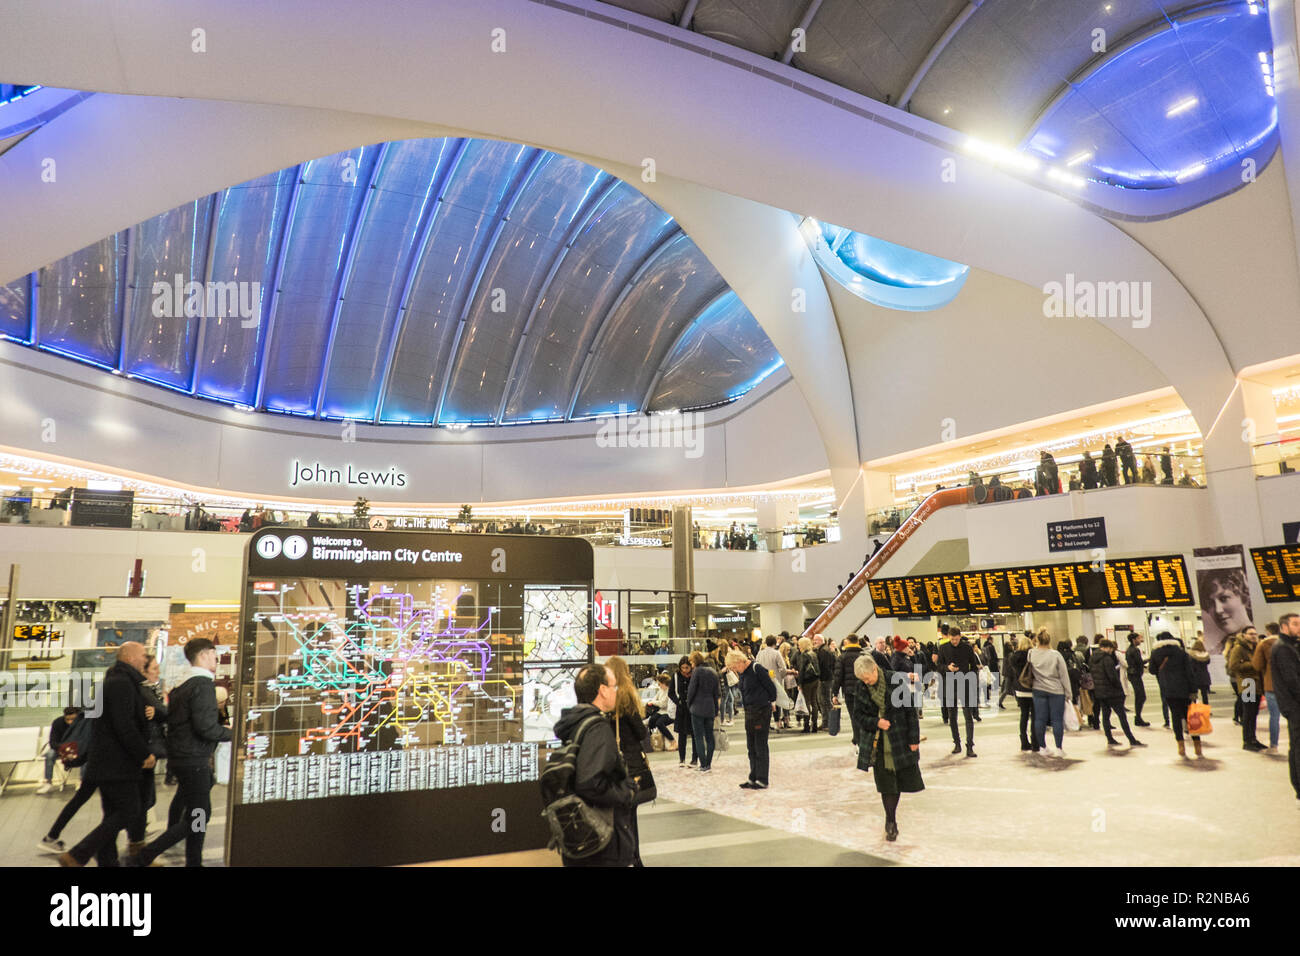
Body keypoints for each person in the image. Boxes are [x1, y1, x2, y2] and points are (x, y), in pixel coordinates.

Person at [127, 638, 232, 867]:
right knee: (199, 816)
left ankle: (193, 862)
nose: (217, 659)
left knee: (197, 814)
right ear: (204, 655)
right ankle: (143, 857)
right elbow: (205, 727)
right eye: (214, 654)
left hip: (182, 758)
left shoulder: (182, 686)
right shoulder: (203, 685)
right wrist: (232, 733)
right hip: (194, 759)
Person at [59, 642, 156, 867]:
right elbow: (124, 726)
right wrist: (144, 754)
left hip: (107, 763)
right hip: (118, 764)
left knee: (112, 813)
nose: (146, 659)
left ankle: (106, 861)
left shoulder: (116, 682)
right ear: (130, 657)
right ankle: (79, 854)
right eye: (143, 655)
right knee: (130, 811)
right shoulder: (122, 684)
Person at [550, 663, 638, 867]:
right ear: (602, 690)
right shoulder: (597, 729)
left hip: (579, 834)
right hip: (600, 842)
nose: (616, 692)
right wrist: (626, 793)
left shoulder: (574, 724)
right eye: (614, 686)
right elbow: (591, 782)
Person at [851, 654, 923, 842]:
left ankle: (891, 817)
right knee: (886, 783)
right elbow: (857, 715)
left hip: (899, 737)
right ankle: (890, 821)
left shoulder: (895, 680)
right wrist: (876, 722)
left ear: (875, 668)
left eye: (868, 678)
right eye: (863, 680)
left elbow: (910, 711)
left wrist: (914, 738)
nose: (866, 682)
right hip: (877, 743)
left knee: (898, 780)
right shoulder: (861, 687)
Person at [605, 657, 651, 866]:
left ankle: (621, 856)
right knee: (630, 814)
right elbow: (640, 733)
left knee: (617, 814)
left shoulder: (605, 698)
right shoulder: (627, 697)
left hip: (610, 760)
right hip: (630, 760)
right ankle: (634, 857)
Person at [132, 654, 168, 860]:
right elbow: (164, 711)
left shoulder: (147, 691)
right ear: (144, 671)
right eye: (154, 668)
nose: (158, 672)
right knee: (143, 797)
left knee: (146, 795)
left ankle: (138, 839)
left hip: (146, 750)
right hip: (145, 751)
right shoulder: (144, 691)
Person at [1148, 632, 1203, 759]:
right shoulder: (1181, 652)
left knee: (1175, 716)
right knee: (1191, 717)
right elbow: (1190, 672)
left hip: (1168, 689)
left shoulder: (1156, 653)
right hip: (1184, 689)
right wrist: (1193, 690)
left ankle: (1181, 747)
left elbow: (1151, 670)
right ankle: (1197, 746)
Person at [729, 650, 776, 790]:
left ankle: (762, 779)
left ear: (739, 661)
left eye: (734, 667)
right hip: (750, 712)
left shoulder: (757, 668)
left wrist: (771, 703)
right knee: (751, 747)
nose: (735, 670)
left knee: (760, 746)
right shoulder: (743, 673)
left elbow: (771, 688)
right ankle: (753, 777)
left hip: (761, 711)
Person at [1089, 640, 1145, 748]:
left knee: (1105, 716)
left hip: (1100, 692)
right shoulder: (1106, 659)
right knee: (1122, 716)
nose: (1111, 652)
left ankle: (1109, 738)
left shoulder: (1092, 658)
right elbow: (1113, 677)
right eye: (1111, 649)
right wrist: (1119, 688)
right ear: (1107, 648)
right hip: (1112, 692)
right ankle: (1131, 739)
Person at [1028, 628, 1073, 757]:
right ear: (1049, 640)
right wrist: (1068, 693)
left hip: (1038, 689)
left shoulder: (1031, 653)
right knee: (1057, 720)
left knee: (1039, 719)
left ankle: (1042, 747)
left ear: (1037, 640)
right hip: (1056, 690)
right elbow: (1064, 675)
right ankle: (1059, 748)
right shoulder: (1056, 655)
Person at [1270, 614, 1300, 801]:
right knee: (1298, 747)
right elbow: (1292, 681)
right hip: (1294, 705)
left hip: (1291, 703)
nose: (1299, 628)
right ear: (1283, 627)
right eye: (1295, 624)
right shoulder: (1282, 649)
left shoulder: (1290, 646)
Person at [937, 626, 980, 757]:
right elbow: (938, 666)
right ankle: (957, 743)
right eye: (952, 639)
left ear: (960, 637)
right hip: (949, 685)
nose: (954, 641)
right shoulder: (943, 648)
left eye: (956, 639)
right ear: (949, 637)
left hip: (965, 684)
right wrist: (947, 668)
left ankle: (970, 746)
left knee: (968, 716)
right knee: (952, 717)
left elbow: (974, 666)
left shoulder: (967, 648)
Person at [1226, 626, 1267, 752]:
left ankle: (1253, 739)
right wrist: (1253, 664)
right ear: (1244, 635)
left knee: (1253, 713)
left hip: (1257, 684)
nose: (1254, 636)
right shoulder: (1238, 648)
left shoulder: (1255, 647)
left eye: (1255, 633)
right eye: (1250, 634)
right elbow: (1233, 666)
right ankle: (1247, 741)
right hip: (1247, 684)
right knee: (1248, 713)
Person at [686, 650, 720, 772]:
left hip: (697, 708)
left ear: (694, 661)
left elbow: (691, 690)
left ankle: (703, 764)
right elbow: (717, 694)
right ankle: (708, 764)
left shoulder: (697, 672)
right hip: (710, 708)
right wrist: (716, 710)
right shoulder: (713, 671)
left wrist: (689, 704)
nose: (691, 664)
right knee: (710, 737)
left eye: (691, 661)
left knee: (699, 737)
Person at [36, 707, 83, 795]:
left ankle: (82, 781)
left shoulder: (82, 724)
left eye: (73, 719)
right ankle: (48, 783)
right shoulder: (58, 723)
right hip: (61, 748)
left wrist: (75, 750)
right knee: (49, 754)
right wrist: (65, 750)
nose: (70, 722)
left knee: (87, 755)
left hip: (78, 748)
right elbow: (53, 742)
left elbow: (85, 740)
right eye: (67, 719)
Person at [831, 634, 865, 748]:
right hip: (865, 690)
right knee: (865, 714)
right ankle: (863, 737)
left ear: (848, 642)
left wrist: (834, 693)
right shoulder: (864, 655)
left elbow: (838, 677)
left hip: (850, 691)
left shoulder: (842, 657)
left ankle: (857, 738)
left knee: (854, 716)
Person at [1253, 624, 1282, 752]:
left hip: (1268, 684)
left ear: (1268, 631)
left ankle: (1274, 745)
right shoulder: (1289, 643)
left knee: (1274, 716)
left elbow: (1257, 665)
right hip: (1290, 685)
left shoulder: (1263, 644)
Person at [1007, 636, 1037, 751]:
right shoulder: (1033, 656)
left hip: (1020, 690)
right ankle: (1035, 741)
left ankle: (1024, 742)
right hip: (1032, 689)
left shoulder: (1013, 658)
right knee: (1035, 716)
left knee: (1024, 715)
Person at [668, 656, 696, 767]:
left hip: (693, 708)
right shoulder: (675, 676)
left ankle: (694, 759)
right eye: (682, 668)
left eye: (687, 668)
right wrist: (678, 701)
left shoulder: (694, 675)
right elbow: (671, 692)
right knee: (682, 735)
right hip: (681, 709)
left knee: (695, 735)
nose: (684, 670)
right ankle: (682, 759)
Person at [793, 636, 822, 733]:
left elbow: (801, 670)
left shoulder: (804, 655)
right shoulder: (813, 653)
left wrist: (799, 683)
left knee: (806, 703)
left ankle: (806, 725)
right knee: (814, 702)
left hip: (807, 681)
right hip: (815, 680)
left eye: (799, 645)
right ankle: (815, 725)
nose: (798, 646)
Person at [645, 672, 676, 746]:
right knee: (652, 720)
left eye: (659, 684)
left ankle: (672, 741)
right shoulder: (661, 690)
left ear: (664, 683)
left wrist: (653, 702)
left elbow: (662, 704)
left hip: (669, 712)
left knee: (659, 723)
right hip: (662, 711)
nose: (659, 685)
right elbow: (655, 698)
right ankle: (652, 741)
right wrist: (653, 701)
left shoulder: (669, 691)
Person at [1125, 633, 1149, 726]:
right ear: (1134, 640)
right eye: (1139, 638)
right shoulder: (1134, 650)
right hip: (1135, 675)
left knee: (1140, 696)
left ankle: (1138, 717)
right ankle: (1138, 718)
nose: (1140, 640)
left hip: (1133, 674)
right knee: (1141, 696)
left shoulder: (1129, 649)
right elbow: (1139, 662)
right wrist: (1149, 659)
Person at [815, 635, 836, 724]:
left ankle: (830, 722)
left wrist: (821, 679)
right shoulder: (825, 649)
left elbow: (825, 666)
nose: (814, 642)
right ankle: (827, 722)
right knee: (825, 701)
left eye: (815, 640)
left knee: (825, 701)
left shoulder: (823, 651)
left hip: (825, 679)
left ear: (820, 640)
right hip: (828, 678)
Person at [1188, 638, 1212, 705]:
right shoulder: (1205, 655)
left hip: (1194, 677)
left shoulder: (1191, 655)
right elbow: (1208, 662)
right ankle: (1206, 709)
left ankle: (1195, 708)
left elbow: (1191, 666)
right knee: (1204, 695)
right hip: (1204, 676)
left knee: (1194, 695)